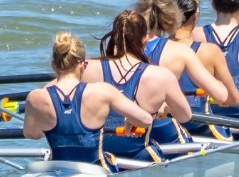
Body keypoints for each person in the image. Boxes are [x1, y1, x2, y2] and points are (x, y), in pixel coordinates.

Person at [23, 32, 153, 165]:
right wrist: (129, 121)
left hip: (59, 171)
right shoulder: (102, 91)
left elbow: (31, 134)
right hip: (95, 171)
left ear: (53, 66)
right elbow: (146, 120)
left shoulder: (35, 97)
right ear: (83, 66)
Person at [81, 9, 193, 161]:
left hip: (97, 158)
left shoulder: (86, 68)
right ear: (145, 40)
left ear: (115, 38)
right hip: (140, 158)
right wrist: (164, 108)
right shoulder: (161, 76)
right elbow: (185, 116)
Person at [135, 0, 232, 108]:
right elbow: (224, 97)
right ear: (195, 14)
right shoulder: (187, 51)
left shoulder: (125, 48)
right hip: (187, 120)